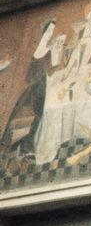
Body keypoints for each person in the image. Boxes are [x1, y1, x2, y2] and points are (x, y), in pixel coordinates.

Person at [0, 20, 60, 158]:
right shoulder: (40, 49)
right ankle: (21, 146)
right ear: (44, 33)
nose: (51, 33)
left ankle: (28, 145)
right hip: (35, 91)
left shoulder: (50, 47)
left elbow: (53, 68)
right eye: (49, 31)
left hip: (44, 87)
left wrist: (56, 52)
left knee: (41, 114)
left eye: (53, 31)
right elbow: (31, 76)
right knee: (34, 115)